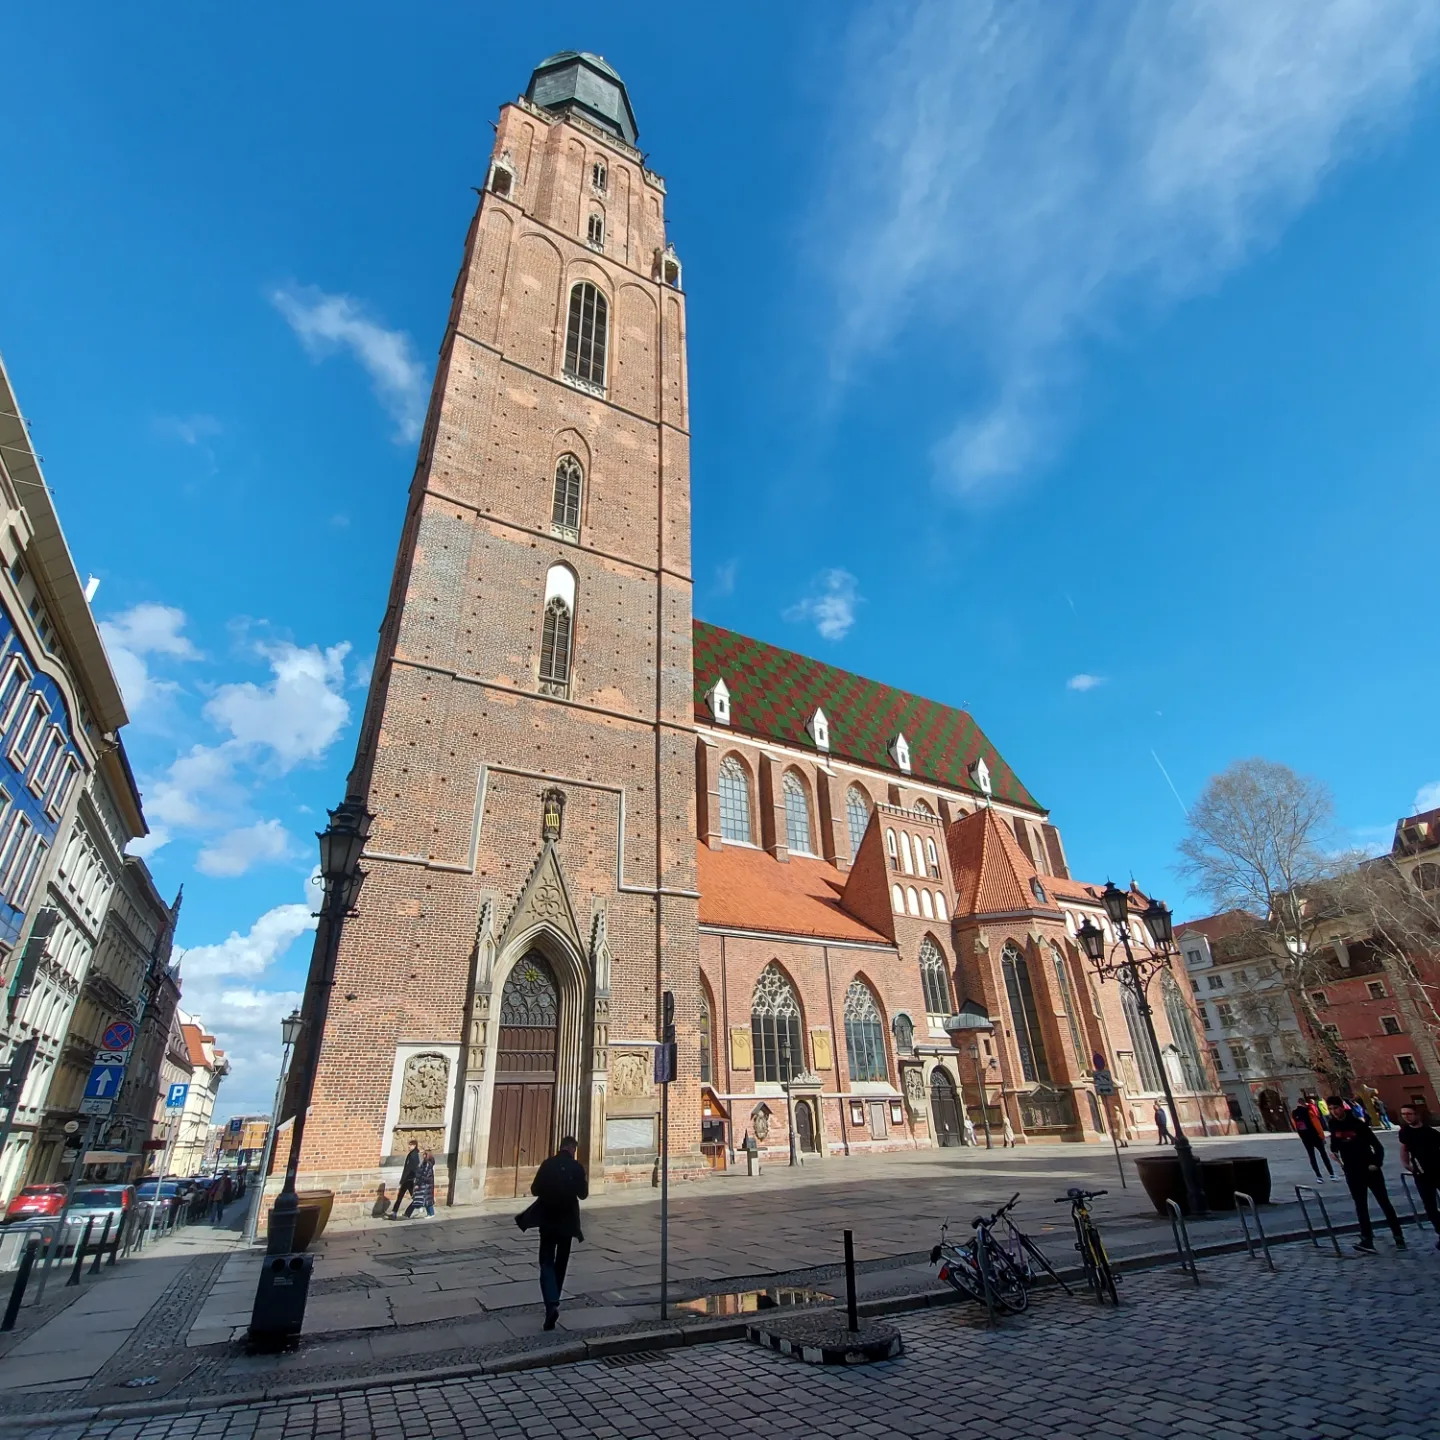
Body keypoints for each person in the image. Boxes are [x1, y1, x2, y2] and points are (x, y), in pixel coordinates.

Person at [517, 1137, 588, 1330]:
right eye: (575, 1149)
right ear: (572, 1148)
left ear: (560, 1147)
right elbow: (583, 1194)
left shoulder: (547, 1164)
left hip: (548, 1220)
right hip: (567, 1222)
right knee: (561, 1263)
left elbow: (535, 1190)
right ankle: (554, 1300)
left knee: (546, 1262)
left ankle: (551, 1302)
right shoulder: (577, 1167)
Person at [1329, 1103, 1405, 1253]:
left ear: (1342, 1108)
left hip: (1369, 1167)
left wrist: (1376, 1163)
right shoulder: (1333, 1125)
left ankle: (1398, 1236)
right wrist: (1334, 1153)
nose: (1333, 1111)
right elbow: (1334, 1145)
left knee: (1384, 1202)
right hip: (1351, 1170)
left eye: (1335, 1107)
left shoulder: (1357, 1124)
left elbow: (1377, 1146)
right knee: (1360, 1205)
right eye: (1330, 1109)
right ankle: (1367, 1239)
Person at [1397, 1103, 1440, 1249]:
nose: (1406, 1117)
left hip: (1437, 1170)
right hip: (1421, 1173)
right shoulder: (1404, 1132)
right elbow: (1404, 1148)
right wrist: (1406, 1164)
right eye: (1403, 1114)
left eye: (1409, 1114)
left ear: (1416, 1115)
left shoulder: (1431, 1132)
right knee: (1430, 1205)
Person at [1291, 1098, 1334, 1180]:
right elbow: (1317, 1124)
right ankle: (1332, 1174)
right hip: (1315, 1136)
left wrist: (1302, 1136)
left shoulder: (1294, 1113)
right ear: (1304, 1103)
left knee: (1312, 1156)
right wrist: (1322, 1136)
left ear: (1298, 1103)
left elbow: (1295, 1126)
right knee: (1323, 1155)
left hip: (1305, 1138)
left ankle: (1318, 1176)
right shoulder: (1309, 1111)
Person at [389, 1139, 420, 1219]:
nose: (409, 1146)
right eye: (409, 1145)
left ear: (414, 1145)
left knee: (413, 1196)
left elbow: (413, 1168)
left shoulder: (414, 1155)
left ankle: (419, 1208)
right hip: (407, 1179)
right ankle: (394, 1212)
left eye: (411, 1145)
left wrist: (413, 1178)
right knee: (401, 1196)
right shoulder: (411, 1154)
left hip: (410, 1179)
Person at [404, 1149, 436, 1218]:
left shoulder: (427, 1164)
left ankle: (430, 1213)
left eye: (424, 1154)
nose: (423, 1155)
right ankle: (430, 1213)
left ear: (427, 1155)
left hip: (425, 1185)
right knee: (424, 1200)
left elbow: (423, 1175)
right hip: (425, 1184)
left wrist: (418, 1184)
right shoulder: (426, 1163)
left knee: (420, 1199)